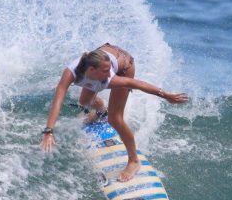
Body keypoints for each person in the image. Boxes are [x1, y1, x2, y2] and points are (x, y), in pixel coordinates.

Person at [40, 43, 189, 182]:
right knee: (84, 102)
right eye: (105, 71)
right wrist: (49, 131)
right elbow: (57, 101)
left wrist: (166, 95)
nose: (108, 74)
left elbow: (135, 83)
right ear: (91, 70)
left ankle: (134, 161)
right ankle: (100, 110)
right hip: (107, 55)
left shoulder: (109, 77)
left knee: (115, 119)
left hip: (125, 66)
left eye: (109, 70)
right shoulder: (72, 72)